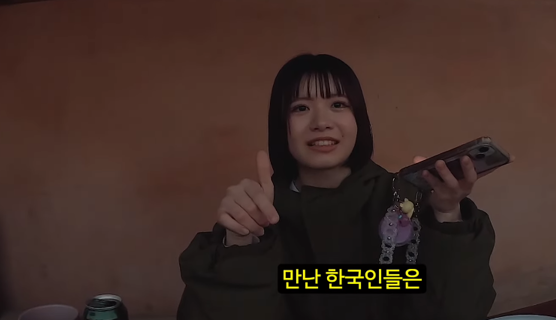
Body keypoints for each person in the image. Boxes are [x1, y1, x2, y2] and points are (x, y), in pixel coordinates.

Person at [177, 54, 496, 320]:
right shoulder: (258, 213)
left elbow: (457, 311)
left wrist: (448, 216)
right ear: (280, 125)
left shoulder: (405, 201)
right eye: (300, 108)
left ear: (359, 119)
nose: (321, 122)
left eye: (338, 104)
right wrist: (241, 245)